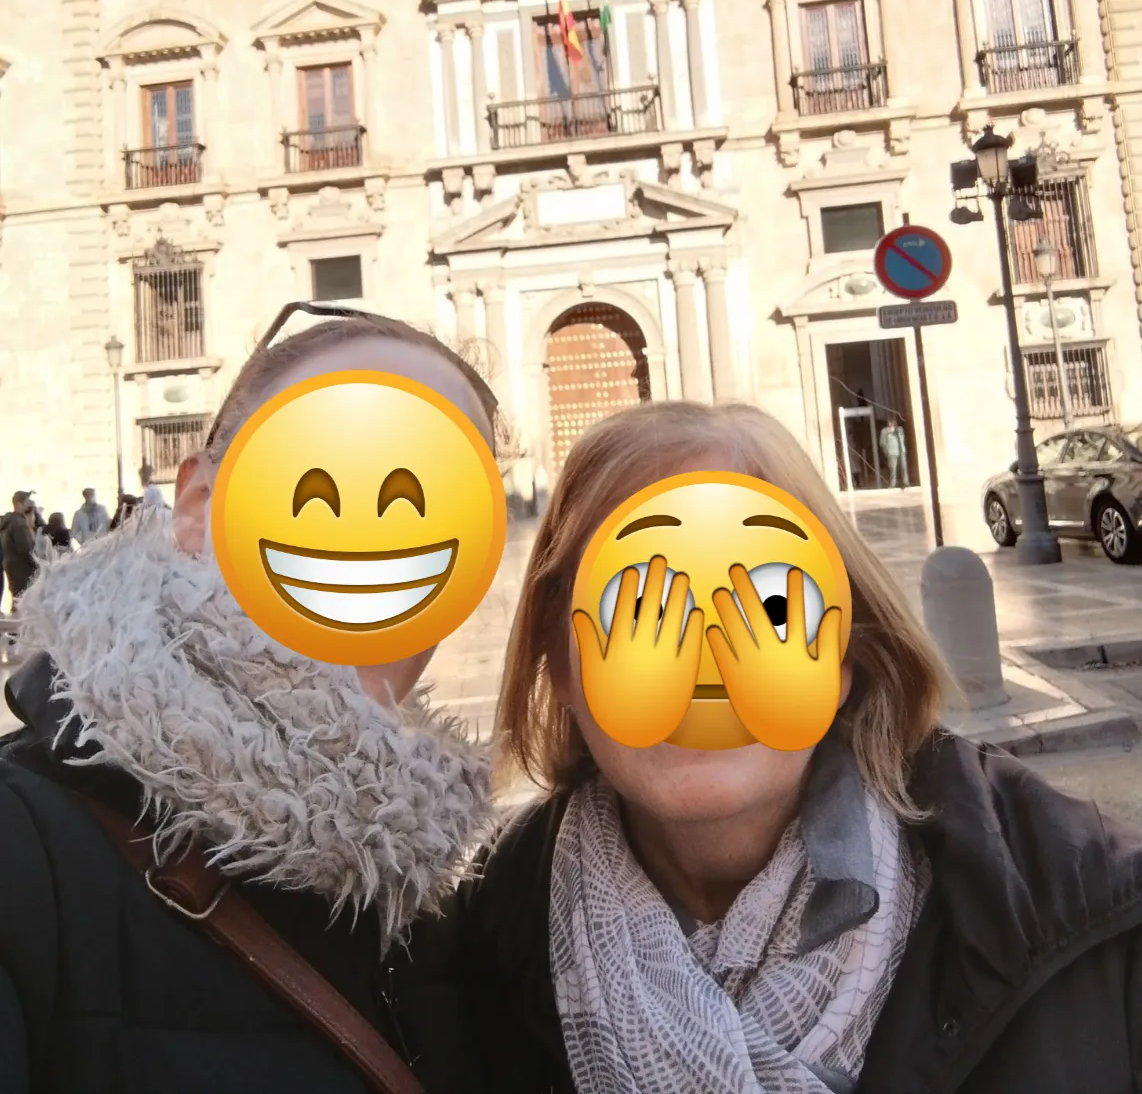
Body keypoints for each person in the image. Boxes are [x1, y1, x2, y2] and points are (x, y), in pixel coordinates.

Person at [397, 401, 1142, 1094]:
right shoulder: (460, 957)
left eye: (771, 603)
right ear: (559, 662)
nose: (706, 657)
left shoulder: (1087, 911)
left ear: (843, 656)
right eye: (644, 604)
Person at [0, 305, 508, 1093]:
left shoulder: (457, 910)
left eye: (435, 495)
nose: (366, 524)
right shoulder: (23, 852)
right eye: (317, 461)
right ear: (198, 504)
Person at [0, 493, 37, 610]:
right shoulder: (19, 523)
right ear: (19, 504)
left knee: (17, 596)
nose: (29, 505)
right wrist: (36, 564)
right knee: (24, 599)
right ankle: (18, 626)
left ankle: (14, 624)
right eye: (27, 502)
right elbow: (26, 547)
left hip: (9, 563)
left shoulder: (7, 522)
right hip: (21, 566)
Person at [879, 415, 909, 490]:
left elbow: (902, 436)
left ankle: (906, 482)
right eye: (891, 422)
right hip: (892, 452)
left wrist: (894, 430)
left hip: (901, 451)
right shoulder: (885, 431)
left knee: (904, 467)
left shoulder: (900, 429)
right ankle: (893, 483)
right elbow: (882, 443)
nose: (892, 423)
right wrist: (886, 452)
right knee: (893, 468)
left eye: (894, 422)